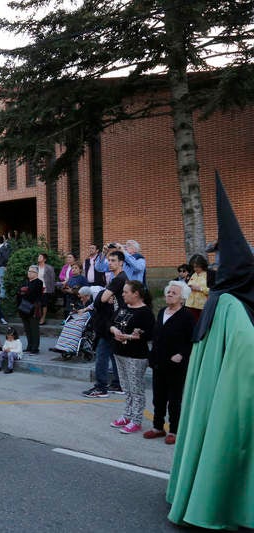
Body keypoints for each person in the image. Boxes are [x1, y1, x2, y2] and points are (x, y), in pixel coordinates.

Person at [166, 176, 254, 529]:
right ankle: (214, 504)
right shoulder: (231, 302)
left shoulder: (226, 299)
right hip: (230, 393)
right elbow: (247, 348)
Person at [146, 281, 194, 445]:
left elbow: (191, 341)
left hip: (176, 366)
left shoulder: (186, 316)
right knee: (158, 398)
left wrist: (181, 354)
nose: (169, 294)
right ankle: (158, 427)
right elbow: (156, 335)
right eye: (169, 292)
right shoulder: (161, 312)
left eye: (174, 293)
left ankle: (174, 430)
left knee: (174, 400)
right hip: (159, 363)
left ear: (182, 298)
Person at [108, 280, 155, 434]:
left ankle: (136, 420)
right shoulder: (123, 307)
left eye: (126, 292)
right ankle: (127, 415)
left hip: (135, 356)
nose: (123, 294)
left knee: (136, 389)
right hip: (119, 353)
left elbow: (149, 334)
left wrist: (130, 336)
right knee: (126, 387)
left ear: (136, 294)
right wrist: (115, 331)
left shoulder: (145, 312)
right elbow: (111, 322)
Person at [82, 250, 128, 398]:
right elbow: (106, 298)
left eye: (113, 260)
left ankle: (101, 387)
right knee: (113, 354)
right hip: (114, 321)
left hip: (112, 322)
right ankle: (117, 383)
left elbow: (101, 300)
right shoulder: (117, 278)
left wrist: (102, 296)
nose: (110, 263)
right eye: (109, 260)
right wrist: (105, 295)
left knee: (102, 354)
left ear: (121, 262)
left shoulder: (118, 279)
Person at [17, 265, 43, 354]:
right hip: (23, 308)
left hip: (33, 308)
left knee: (34, 329)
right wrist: (23, 292)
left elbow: (32, 293)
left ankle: (35, 347)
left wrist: (24, 292)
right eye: (29, 271)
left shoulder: (39, 282)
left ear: (36, 273)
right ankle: (29, 345)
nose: (29, 273)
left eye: (32, 271)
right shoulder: (25, 281)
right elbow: (19, 292)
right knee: (27, 328)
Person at [184, 254, 209, 322]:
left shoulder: (208, 275)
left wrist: (200, 289)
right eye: (194, 267)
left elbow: (212, 290)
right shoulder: (193, 274)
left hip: (202, 306)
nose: (195, 269)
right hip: (190, 305)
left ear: (203, 265)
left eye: (197, 267)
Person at [37, 253, 55, 324]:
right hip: (36, 289)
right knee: (37, 304)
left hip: (45, 288)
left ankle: (43, 318)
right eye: (38, 256)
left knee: (44, 304)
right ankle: (38, 316)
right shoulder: (35, 267)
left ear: (44, 259)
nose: (38, 257)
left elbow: (52, 279)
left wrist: (52, 290)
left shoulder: (49, 268)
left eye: (40, 257)